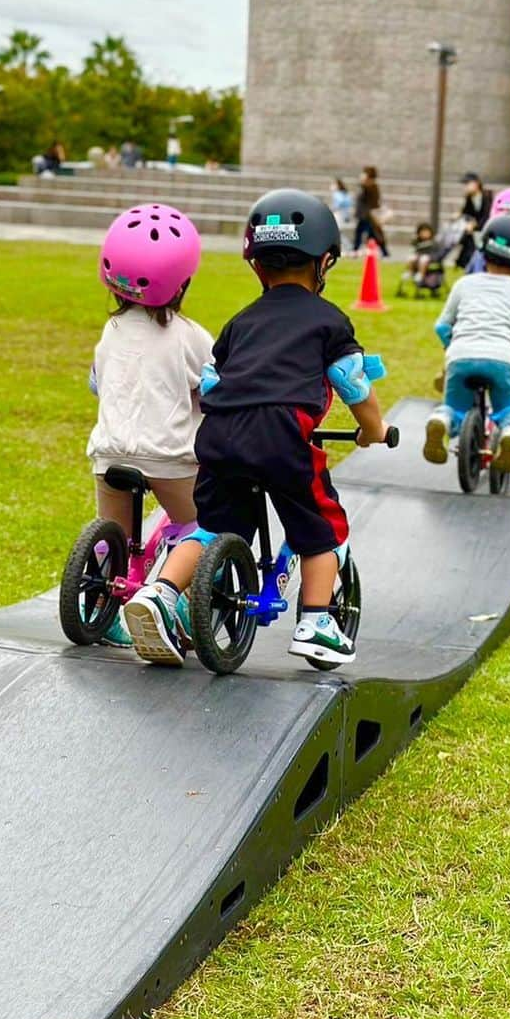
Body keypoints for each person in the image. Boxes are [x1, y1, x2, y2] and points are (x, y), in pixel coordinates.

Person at [125, 188, 391, 669]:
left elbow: (210, 381)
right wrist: (374, 429)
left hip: (222, 434)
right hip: (283, 436)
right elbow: (353, 384)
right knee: (322, 529)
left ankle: (160, 593)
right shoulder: (330, 322)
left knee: (213, 526)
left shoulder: (240, 323)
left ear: (256, 265)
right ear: (325, 261)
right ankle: (316, 622)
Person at [86, 204, 214, 647]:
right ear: (182, 282)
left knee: (114, 537)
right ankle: (171, 599)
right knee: (205, 523)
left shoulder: (112, 329)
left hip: (108, 454)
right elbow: (217, 389)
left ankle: (97, 607)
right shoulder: (191, 336)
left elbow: (96, 383)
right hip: (168, 458)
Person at [423, 214, 510, 475]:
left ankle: (440, 419)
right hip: (501, 359)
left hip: (460, 357)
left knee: (454, 407)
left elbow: (441, 326)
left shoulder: (464, 284)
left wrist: (451, 345)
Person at [453, 172, 493, 270]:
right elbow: (467, 212)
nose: (465, 187)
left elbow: (487, 216)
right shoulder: (469, 197)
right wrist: (459, 214)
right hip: (474, 231)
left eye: (468, 184)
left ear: (477, 183)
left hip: (486, 229)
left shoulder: (487, 196)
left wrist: (475, 225)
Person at [398, 222, 447, 297]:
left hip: (429, 263)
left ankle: (420, 275)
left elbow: (438, 255)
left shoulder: (434, 243)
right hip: (416, 263)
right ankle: (410, 272)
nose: (424, 234)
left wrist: (430, 258)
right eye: (422, 232)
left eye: (426, 232)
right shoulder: (416, 243)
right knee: (412, 257)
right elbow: (413, 252)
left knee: (424, 258)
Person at [353, 166, 388, 256]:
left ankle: (356, 249)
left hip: (368, 215)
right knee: (372, 233)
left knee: (371, 233)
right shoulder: (366, 185)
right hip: (364, 214)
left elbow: (373, 201)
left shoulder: (371, 186)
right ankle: (384, 252)